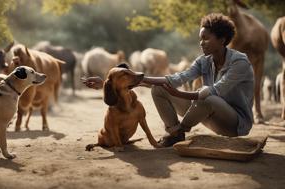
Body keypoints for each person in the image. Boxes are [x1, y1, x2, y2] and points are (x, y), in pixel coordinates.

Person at [82, 13, 254, 147]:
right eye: (200, 39)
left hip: (233, 125)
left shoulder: (240, 62)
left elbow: (215, 92)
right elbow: (177, 78)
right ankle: (176, 134)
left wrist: (179, 93)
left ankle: (179, 131)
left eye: (206, 38)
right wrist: (110, 83)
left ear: (222, 40)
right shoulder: (203, 61)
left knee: (207, 96)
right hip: (208, 115)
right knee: (160, 89)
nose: (201, 43)